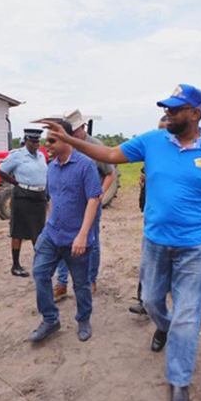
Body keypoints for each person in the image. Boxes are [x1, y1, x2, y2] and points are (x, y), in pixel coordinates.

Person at [41, 84, 201, 401]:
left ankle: (178, 378)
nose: (168, 114)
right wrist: (71, 140)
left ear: (196, 113)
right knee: (150, 301)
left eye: (176, 109)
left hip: (195, 246)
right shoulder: (153, 141)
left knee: (188, 316)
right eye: (167, 108)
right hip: (156, 241)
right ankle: (165, 325)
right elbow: (109, 155)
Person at [28, 120, 102, 344]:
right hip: (51, 235)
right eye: (45, 140)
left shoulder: (85, 165)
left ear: (66, 139)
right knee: (40, 274)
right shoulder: (52, 167)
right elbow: (52, 198)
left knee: (81, 283)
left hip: (76, 238)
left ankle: (83, 320)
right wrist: (49, 224)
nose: (46, 144)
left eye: (51, 140)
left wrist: (82, 235)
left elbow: (94, 199)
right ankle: (50, 320)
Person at [54, 110, 115, 300]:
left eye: (75, 130)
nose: (73, 135)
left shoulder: (95, 146)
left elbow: (110, 174)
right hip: (69, 205)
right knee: (64, 242)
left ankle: (91, 280)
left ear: (82, 127)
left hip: (90, 205)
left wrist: (98, 198)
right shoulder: (65, 146)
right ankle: (62, 283)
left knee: (92, 243)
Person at [130, 114, 169, 316]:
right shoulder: (152, 154)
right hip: (153, 218)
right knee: (149, 262)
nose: (161, 134)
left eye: (166, 129)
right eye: (159, 129)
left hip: (176, 226)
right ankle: (143, 300)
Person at [0, 128, 49, 278]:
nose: (35, 144)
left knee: (38, 230)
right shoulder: (17, 156)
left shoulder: (40, 156)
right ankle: (16, 265)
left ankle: (39, 263)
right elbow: (0, 171)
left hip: (39, 196)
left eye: (37, 141)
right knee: (18, 231)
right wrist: (16, 183)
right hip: (23, 196)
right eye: (32, 141)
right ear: (26, 140)